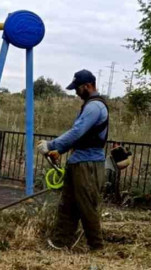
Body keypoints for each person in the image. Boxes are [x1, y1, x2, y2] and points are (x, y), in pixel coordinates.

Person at [37, 69, 108, 251]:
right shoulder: (89, 106)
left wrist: (52, 145)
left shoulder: (94, 107)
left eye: (77, 88)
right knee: (67, 204)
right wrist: (60, 149)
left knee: (86, 206)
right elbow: (81, 136)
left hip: (88, 164)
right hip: (78, 162)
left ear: (88, 86)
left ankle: (97, 247)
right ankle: (60, 242)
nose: (76, 92)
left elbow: (77, 132)